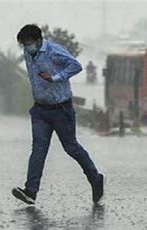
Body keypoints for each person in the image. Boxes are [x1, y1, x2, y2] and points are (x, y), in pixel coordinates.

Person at [11, 24, 105, 205]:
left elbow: (76, 66)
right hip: (40, 110)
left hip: (61, 109)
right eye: (23, 44)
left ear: (38, 41)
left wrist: (55, 77)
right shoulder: (28, 53)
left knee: (71, 148)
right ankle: (31, 191)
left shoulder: (54, 51)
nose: (26, 47)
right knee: (38, 150)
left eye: (28, 43)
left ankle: (95, 179)